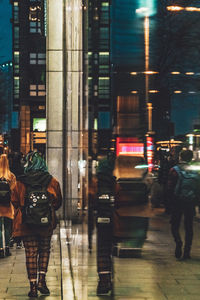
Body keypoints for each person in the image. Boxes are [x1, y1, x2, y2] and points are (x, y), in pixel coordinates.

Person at [11, 151, 62, 297]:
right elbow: (58, 202)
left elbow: (14, 201)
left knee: (31, 253)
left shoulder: (20, 182)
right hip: (46, 224)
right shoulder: (52, 181)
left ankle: (32, 286)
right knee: (44, 250)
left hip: (26, 223)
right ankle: (42, 281)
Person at [167, 149, 198, 260]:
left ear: (180, 157)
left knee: (175, 225)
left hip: (177, 201)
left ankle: (178, 241)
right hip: (190, 202)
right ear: (190, 158)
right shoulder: (195, 171)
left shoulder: (174, 170)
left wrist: (169, 204)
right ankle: (187, 252)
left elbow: (170, 188)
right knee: (189, 226)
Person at [0, 154, 16, 258]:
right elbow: (14, 192)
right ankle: (6, 248)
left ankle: (0, 248)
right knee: (7, 227)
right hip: (8, 207)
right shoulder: (11, 176)